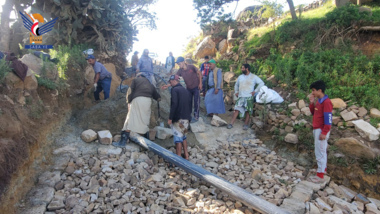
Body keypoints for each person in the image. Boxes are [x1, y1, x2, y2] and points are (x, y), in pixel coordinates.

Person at [112, 73, 161, 147]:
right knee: (144, 121)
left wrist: (128, 101)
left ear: (139, 76)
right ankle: (145, 145)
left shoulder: (136, 80)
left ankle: (122, 143)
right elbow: (158, 97)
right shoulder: (150, 84)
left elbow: (130, 91)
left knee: (130, 120)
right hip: (147, 102)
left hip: (137, 100)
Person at [161, 56, 202, 123]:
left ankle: (196, 117)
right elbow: (174, 79)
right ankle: (189, 116)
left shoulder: (191, 67)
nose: (179, 65)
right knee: (189, 102)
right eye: (178, 64)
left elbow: (199, 73)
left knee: (196, 102)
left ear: (183, 62)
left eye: (179, 63)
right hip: (188, 88)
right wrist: (168, 85)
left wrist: (200, 84)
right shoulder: (180, 70)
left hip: (196, 87)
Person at [307, 80, 333, 183]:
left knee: (320, 151)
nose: (312, 92)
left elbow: (328, 119)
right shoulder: (319, 101)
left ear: (320, 90)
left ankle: (320, 175)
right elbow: (313, 112)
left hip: (321, 130)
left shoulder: (326, 102)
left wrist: (324, 132)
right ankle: (322, 169)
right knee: (321, 150)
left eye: (314, 90)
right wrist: (311, 103)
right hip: (317, 128)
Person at [227, 64, 264, 130]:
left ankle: (246, 124)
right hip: (241, 96)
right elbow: (236, 85)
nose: (242, 69)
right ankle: (231, 123)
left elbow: (261, 83)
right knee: (236, 110)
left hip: (249, 97)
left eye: (243, 68)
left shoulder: (253, 77)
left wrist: (255, 91)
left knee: (248, 111)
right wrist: (236, 92)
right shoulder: (240, 77)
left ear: (247, 69)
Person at [168, 75, 192, 160]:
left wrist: (171, 118)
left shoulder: (174, 90)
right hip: (186, 117)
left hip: (178, 118)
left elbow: (174, 104)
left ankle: (178, 158)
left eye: (170, 82)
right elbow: (190, 105)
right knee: (183, 136)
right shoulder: (186, 91)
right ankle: (186, 155)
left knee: (178, 137)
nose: (170, 83)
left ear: (174, 81)